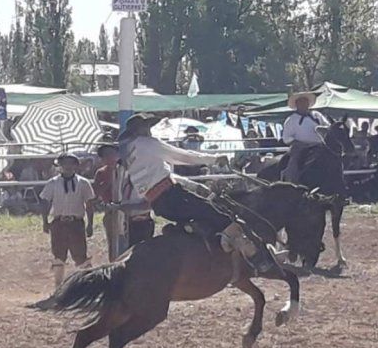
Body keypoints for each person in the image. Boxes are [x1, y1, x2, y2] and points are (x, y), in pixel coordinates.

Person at [118, 113, 277, 273]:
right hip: (173, 196)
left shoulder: (129, 153)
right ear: (141, 129)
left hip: (159, 204)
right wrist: (213, 159)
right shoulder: (148, 143)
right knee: (222, 217)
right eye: (147, 127)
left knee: (203, 218)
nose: (149, 130)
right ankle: (256, 260)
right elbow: (183, 156)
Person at [40, 153, 96, 288]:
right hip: (59, 222)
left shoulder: (83, 183)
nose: (68, 166)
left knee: (80, 255)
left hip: (76, 222)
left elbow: (89, 204)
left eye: (71, 163)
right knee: (59, 255)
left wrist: (90, 224)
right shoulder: (53, 183)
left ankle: (87, 286)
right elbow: (45, 202)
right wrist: (45, 221)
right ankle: (58, 286)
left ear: (76, 166)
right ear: (60, 166)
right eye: (64, 163)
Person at [282, 92, 326, 182]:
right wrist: (299, 143)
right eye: (301, 102)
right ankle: (291, 180)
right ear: (297, 104)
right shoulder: (291, 120)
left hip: (320, 145)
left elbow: (328, 127)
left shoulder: (317, 116)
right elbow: (286, 138)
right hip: (300, 147)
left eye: (305, 102)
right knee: (294, 160)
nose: (304, 104)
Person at [92, 143, 120, 261]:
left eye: (112, 154)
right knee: (113, 243)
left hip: (126, 210)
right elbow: (96, 193)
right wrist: (108, 182)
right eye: (106, 155)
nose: (110, 157)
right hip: (110, 210)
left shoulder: (125, 170)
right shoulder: (101, 173)